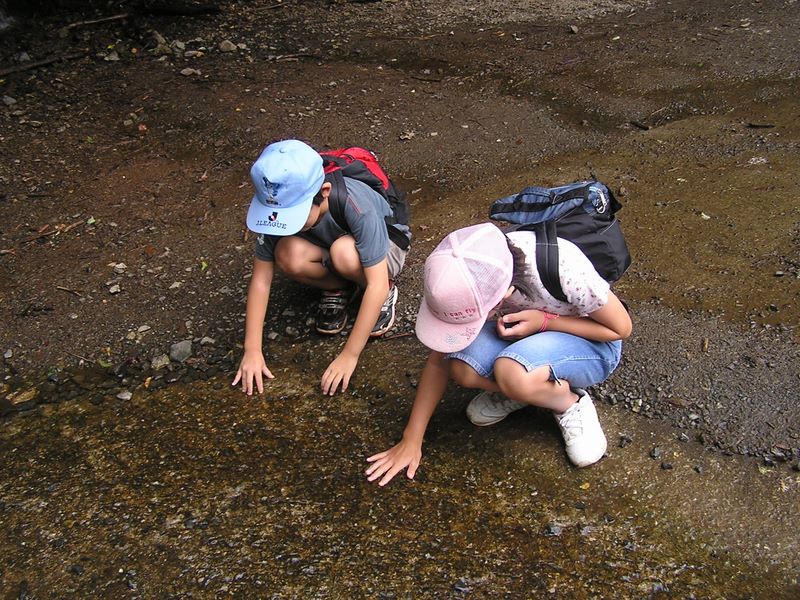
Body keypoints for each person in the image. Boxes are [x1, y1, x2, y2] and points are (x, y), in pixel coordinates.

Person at [366, 222, 631, 486]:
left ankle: (566, 401)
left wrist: (545, 322)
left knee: (511, 371)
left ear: (503, 295)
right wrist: (411, 439)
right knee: (460, 366)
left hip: (591, 341)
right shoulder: (469, 269)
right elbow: (439, 360)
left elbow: (620, 329)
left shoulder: (563, 267)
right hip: (526, 336)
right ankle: (525, 390)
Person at [232, 139, 411, 396]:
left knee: (344, 254)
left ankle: (385, 295)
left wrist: (349, 355)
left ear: (324, 191)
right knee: (287, 253)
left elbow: (376, 282)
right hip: (330, 243)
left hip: (384, 249)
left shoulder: (354, 202)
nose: (284, 224)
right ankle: (339, 287)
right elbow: (261, 280)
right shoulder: (275, 202)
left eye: (294, 215)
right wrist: (252, 351)